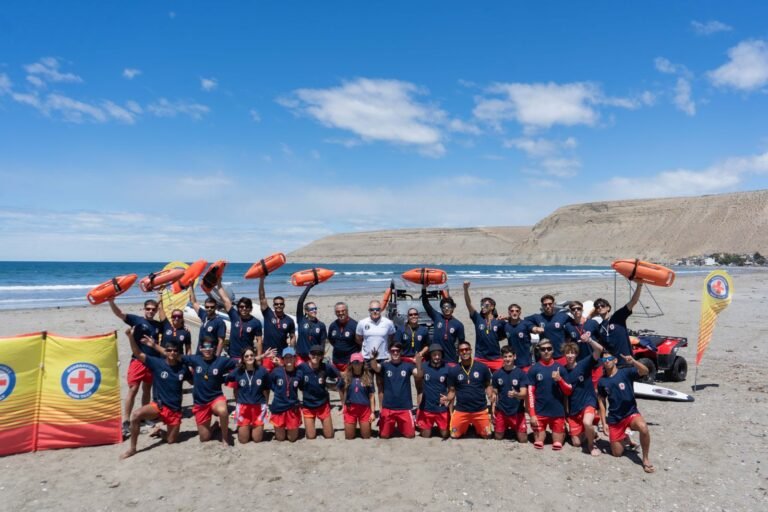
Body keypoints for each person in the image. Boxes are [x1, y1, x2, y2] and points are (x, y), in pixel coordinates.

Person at [160, 336, 238, 445]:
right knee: (204, 438)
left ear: (214, 348)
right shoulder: (195, 359)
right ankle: (215, 426)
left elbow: (242, 362)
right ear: (200, 348)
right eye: (204, 347)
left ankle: (225, 438)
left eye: (210, 347)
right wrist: (154, 345)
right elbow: (174, 355)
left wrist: (260, 357)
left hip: (216, 398)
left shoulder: (221, 361)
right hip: (200, 402)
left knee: (223, 411)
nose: (207, 349)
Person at [120, 334, 184, 459]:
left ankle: (160, 431)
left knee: (171, 440)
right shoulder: (157, 363)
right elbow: (138, 354)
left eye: (175, 350)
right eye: (169, 350)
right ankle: (132, 448)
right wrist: (130, 337)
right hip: (158, 406)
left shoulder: (183, 368)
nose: (172, 352)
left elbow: (195, 381)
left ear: (178, 353)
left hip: (174, 410)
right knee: (136, 415)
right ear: (165, 351)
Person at [108, 297, 162, 436]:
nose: (150, 311)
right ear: (144, 309)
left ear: (156, 310)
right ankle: (126, 420)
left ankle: (144, 416)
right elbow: (119, 313)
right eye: (148, 309)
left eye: (153, 309)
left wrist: (161, 299)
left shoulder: (157, 325)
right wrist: (111, 301)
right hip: (137, 361)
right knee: (133, 389)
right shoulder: (136, 320)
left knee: (147, 390)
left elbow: (165, 319)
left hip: (152, 361)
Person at [598, 352, 655, 473]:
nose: (607, 361)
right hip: (615, 418)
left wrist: (633, 361)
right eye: (604, 360)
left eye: (609, 358)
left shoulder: (626, 372)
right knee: (617, 453)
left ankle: (645, 459)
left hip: (631, 414)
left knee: (643, 427)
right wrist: (604, 423)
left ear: (615, 361)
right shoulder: (602, 381)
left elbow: (645, 371)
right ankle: (625, 437)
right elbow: (602, 403)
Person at [370, 342, 422, 439]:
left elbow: (418, 375)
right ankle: (391, 425)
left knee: (410, 435)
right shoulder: (385, 365)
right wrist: (373, 358)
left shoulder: (408, 366)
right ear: (389, 352)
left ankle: (401, 425)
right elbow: (375, 368)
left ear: (401, 352)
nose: (395, 353)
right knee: (384, 435)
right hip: (388, 407)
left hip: (404, 407)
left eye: (397, 351)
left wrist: (418, 363)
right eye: (392, 351)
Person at [528, 338, 573, 450]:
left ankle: (563, 429)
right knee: (539, 442)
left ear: (553, 350)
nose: (546, 351)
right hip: (540, 412)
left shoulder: (561, 369)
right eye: (543, 349)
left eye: (549, 349)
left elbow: (568, 391)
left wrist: (560, 380)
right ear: (539, 352)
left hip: (557, 412)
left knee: (557, 444)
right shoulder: (534, 369)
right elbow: (530, 393)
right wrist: (532, 415)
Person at [584, 284, 644, 367]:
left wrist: (639, 286)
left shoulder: (618, 317)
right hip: (611, 364)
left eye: (602, 306)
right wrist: (591, 315)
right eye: (597, 307)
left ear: (608, 308)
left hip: (625, 361)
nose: (600, 308)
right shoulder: (600, 327)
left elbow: (633, 301)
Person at [226, 346, 275, 444]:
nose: (249, 358)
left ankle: (253, 426)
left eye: (252, 355)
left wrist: (265, 405)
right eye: (246, 356)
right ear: (243, 359)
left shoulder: (262, 371)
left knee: (257, 440)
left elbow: (268, 388)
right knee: (243, 440)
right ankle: (247, 426)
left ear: (255, 356)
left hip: (258, 406)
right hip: (243, 407)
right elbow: (226, 379)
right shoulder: (238, 371)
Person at [445, 340, 493, 439]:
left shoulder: (482, 367)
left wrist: (491, 395)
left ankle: (474, 425)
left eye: (466, 349)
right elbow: (452, 391)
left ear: (471, 351)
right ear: (458, 353)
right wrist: (447, 399)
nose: (464, 352)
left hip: (480, 409)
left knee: (487, 435)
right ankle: (468, 425)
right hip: (462, 410)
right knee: (454, 435)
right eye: (461, 350)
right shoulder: (453, 370)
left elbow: (487, 385)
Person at [563, 340, 603, 456]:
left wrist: (589, 341)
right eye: (567, 353)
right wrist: (566, 412)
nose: (570, 355)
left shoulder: (584, 364)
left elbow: (599, 350)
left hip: (588, 402)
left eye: (572, 353)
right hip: (574, 408)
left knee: (587, 422)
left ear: (576, 354)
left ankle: (591, 446)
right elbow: (565, 394)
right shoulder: (563, 371)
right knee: (576, 443)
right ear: (564, 354)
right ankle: (590, 432)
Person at [297, 344, 342, 440]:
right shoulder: (302, 367)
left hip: (323, 404)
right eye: (313, 353)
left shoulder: (326, 367)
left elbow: (340, 376)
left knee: (329, 435)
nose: (316, 356)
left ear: (322, 356)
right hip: (308, 405)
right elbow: (292, 377)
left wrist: (334, 387)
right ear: (309, 355)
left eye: (319, 354)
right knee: (311, 436)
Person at [526, 294, 580, 364]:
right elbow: (524, 321)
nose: (548, 306)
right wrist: (533, 327)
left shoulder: (563, 316)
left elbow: (575, 323)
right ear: (542, 306)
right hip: (545, 356)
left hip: (561, 355)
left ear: (554, 304)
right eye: (545, 304)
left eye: (550, 304)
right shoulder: (537, 317)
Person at [463, 281, 504, 371]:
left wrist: (506, 318)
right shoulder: (478, 318)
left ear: (492, 307)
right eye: (482, 305)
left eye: (486, 305)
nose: (483, 307)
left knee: (500, 381)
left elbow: (504, 335)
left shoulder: (499, 321)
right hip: (480, 357)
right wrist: (465, 289)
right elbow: (468, 304)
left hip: (496, 358)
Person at [491, 346, 529, 443]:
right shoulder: (496, 374)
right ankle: (506, 428)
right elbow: (495, 392)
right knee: (498, 437)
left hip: (517, 411)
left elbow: (524, 393)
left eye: (510, 356)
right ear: (502, 358)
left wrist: (516, 394)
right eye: (505, 356)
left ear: (514, 357)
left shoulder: (521, 373)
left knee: (523, 439)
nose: (507, 359)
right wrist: (492, 409)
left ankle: (513, 429)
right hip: (502, 410)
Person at [258, 276, 296, 370]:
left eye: (281, 304)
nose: (278, 305)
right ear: (273, 305)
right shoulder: (268, 314)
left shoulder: (289, 320)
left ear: (284, 305)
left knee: (280, 378)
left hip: (282, 354)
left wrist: (291, 351)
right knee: (266, 377)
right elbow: (262, 297)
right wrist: (261, 280)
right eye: (276, 304)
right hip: (268, 353)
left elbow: (293, 337)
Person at [219, 282, 263, 361]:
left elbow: (259, 341)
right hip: (233, 355)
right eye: (241, 306)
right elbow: (225, 299)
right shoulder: (234, 316)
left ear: (250, 308)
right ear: (238, 308)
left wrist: (259, 358)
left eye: (247, 307)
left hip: (248, 356)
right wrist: (218, 283)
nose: (244, 308)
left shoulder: (256, 322)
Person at [421, 288, 465, 364]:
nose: (446, 309)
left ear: (453, 308)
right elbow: (426, 304)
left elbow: (462, 343)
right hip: (435, 356)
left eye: (449, 307)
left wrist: (459, 355)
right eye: (444, 307)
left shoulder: (458, 324)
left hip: (451, 357)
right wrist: (424, 289)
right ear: (441, 308)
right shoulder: (437, 317)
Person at [416, 343, 451, 439]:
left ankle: (440, 426)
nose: (437, 357)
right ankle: (429, 426)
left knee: (445, 434)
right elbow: (418, 377)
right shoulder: (424, 366)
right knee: (426, 435)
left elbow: (452, 388)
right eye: (434, 354)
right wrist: (418, 364)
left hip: (441, 407)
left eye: (439, 354)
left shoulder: (447, 368)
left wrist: (447, 397)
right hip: (427, 406)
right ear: (430, 355)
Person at [268, 347, 302, 442]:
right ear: (283, 359)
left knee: (292, 439)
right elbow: (269, 382)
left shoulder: (299, 373)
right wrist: (276, 390)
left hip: (292, 407)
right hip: (279, 406)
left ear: (295, 358)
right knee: (280, 438)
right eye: (286, 357)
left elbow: (303, 386)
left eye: (291, 357)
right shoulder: (277, 371)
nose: (289, 359)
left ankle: (291, 427)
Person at [339, 352, 376, 439]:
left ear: (362, 363)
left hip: (364, 409)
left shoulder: (368, 376)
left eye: (359, 362)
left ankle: (363, 426)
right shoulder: (346, 376)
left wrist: (373, 413)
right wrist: (343, 405)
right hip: (350, 409)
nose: (357, 365)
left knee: (366, 436)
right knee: (349, 437)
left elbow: (372, 396)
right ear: (351, 363)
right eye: (355, 362)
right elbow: (340, 389)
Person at [295, 283, 327, 365]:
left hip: (314, 358)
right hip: (300, 356)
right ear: (306, 311)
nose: (314, 311)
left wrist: (321, 355)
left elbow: (322, 342)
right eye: (311, 309)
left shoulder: (321, 325)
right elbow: (300, 302)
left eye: (315, 308)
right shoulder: (301, 320)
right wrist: (308, 287)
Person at [189, 287, 226, 355]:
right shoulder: (204, 315)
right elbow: (193, 302)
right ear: (205, 307)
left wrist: (217, 358)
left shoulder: (219, 322)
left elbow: (221, 341)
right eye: (207, 307)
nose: (209, 309)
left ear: (215, 307)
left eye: (212, 307)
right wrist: (191, 286)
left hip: (211, 355)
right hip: (199, 352)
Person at [502, 304, 537, 372]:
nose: (514, 313)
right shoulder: (506, 326)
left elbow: (533, 328)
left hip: (526, 362)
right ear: (509, 312)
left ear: (520, 313)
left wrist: (537, 329)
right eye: (512, 311)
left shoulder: (525, 324)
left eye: (517, 311)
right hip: (512, 363)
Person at [327, 301, 359, 372]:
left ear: (347, 311)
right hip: (336, 360)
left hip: (349, 361)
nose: (340, 313)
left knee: (348, 381)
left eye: (343, 311)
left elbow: (360, 342)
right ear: (335, 313)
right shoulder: (333, 325)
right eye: (338, 311)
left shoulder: (355, 325)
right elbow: (331, 340)